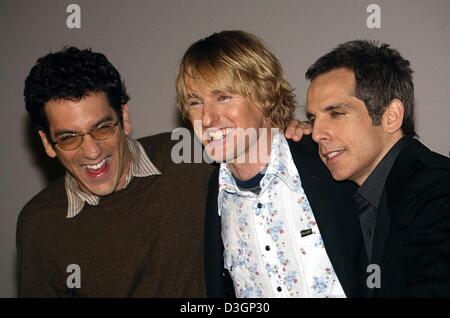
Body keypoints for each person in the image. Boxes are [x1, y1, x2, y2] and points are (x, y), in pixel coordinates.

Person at [18, 46, 307, 297]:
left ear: (125, 117)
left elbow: (253, 137)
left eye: (103, 128)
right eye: (69, 137)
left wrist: (299, 132)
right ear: (47, 142)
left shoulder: (191, 157)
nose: (92, 151)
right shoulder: (40, 224)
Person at [176, 30, 366, 298]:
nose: (206, 118)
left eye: (224, 97)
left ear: (264, 96)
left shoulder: (325, 160)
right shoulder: (212, 195)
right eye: (195, 102)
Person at [305, 40, 450, 297]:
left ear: (391, 116)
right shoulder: (349, 194)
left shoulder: (437, 190)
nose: (317, 133)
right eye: (313, 119)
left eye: (336, 113)